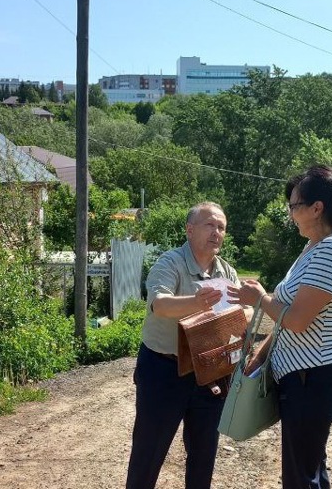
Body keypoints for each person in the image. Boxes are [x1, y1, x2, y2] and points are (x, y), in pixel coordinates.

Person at [229, 165, 332, 489]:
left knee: (299, 476)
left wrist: (259, 298)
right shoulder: (315, 247)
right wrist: (262, 355)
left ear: (316, 208)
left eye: (294, 206)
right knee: (309, 468)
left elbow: (296, 320)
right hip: (305, 379)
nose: (290, 213)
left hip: (313, 380)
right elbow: (289, 316)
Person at [125, 202, 242, 489]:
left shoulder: (227, 272)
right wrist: (197, 303)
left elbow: (242, 314)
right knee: (148, 452)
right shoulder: (170, 262)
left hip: (208, 372)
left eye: (221, 227)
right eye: (210, 225)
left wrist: (248, 314)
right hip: (164, 370)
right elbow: (159, 305)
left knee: (204, 453)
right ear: (190, 230)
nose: (217, 232)